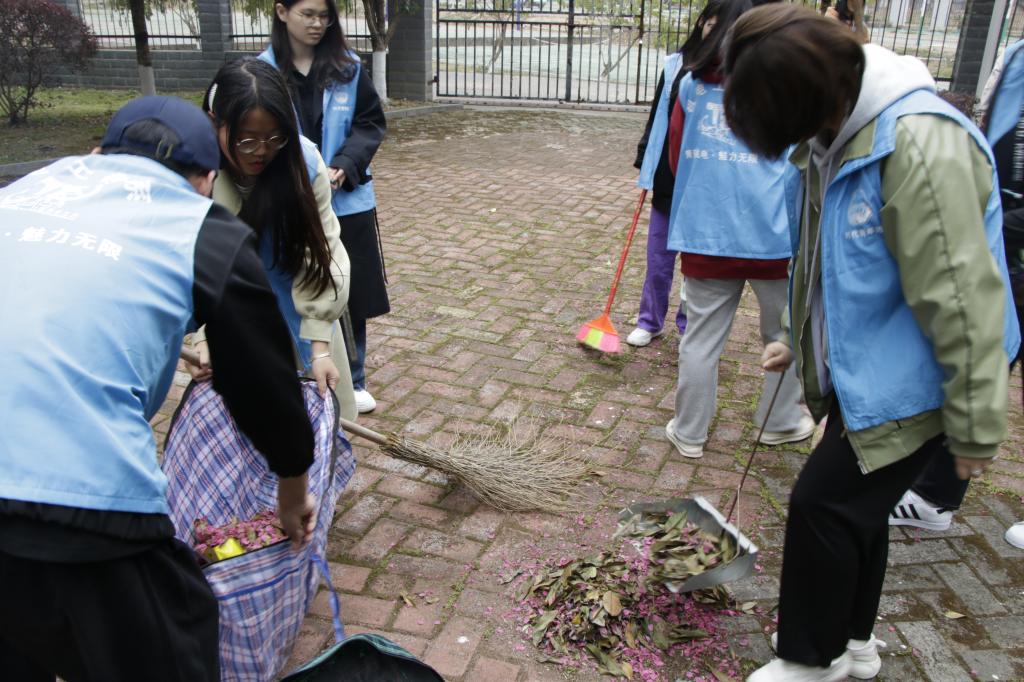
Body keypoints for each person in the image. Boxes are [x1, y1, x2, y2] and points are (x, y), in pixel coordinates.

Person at [722, 6, 1021, 680]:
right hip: (875, 367)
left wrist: (975, 429)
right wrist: (801, 349)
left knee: (820, 504)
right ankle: (855, 645)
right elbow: (843, 270)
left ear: (816, 94)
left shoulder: (916, 146)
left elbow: (963, 301)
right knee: (860, 508)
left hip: (920, 376)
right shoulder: (836, 134)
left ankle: (810, 660)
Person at [0, 96, 318, 681]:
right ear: (206, 181)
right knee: (169, 643)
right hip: (76, 486)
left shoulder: (26, 189)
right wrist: (293, 491)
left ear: (100, 152)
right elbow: (265, 384)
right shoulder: (200, 225)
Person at [662, 0, 814, 460]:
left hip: (707, 230)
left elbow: (675, 155)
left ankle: (689, 432)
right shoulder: (789, 88)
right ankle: (780, 421)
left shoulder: (690, 85)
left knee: (702, 338)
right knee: (783, 334)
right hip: (773, 234)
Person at [889, 38, 1024, 550]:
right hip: (1002, 245)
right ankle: (935, 498)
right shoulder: (1014, 57)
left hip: (1003, 232)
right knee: (981, 351)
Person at [191, 57, 357, 422]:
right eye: (246, 140)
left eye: (273, 137)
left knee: (320, 424)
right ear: (213, 123)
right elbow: (194, 266)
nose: (262, 151)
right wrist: (204, 336)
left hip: (300, 302)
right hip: (232, 313)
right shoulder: (196, 172)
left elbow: (322, 252)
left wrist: (319, 348)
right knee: (254, 428)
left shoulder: (303, 161)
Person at [262, 0, 388, 414]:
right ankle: (300, 367)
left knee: (348, 287)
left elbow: (370, 122)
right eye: (308, 15)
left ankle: (353, 377)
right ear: (282, 13)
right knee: (292, 281)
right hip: (287, 201)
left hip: (346, 198)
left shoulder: (348, 67)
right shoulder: (262, 72)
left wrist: (344, 165)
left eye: (324, 16)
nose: (317, 24)